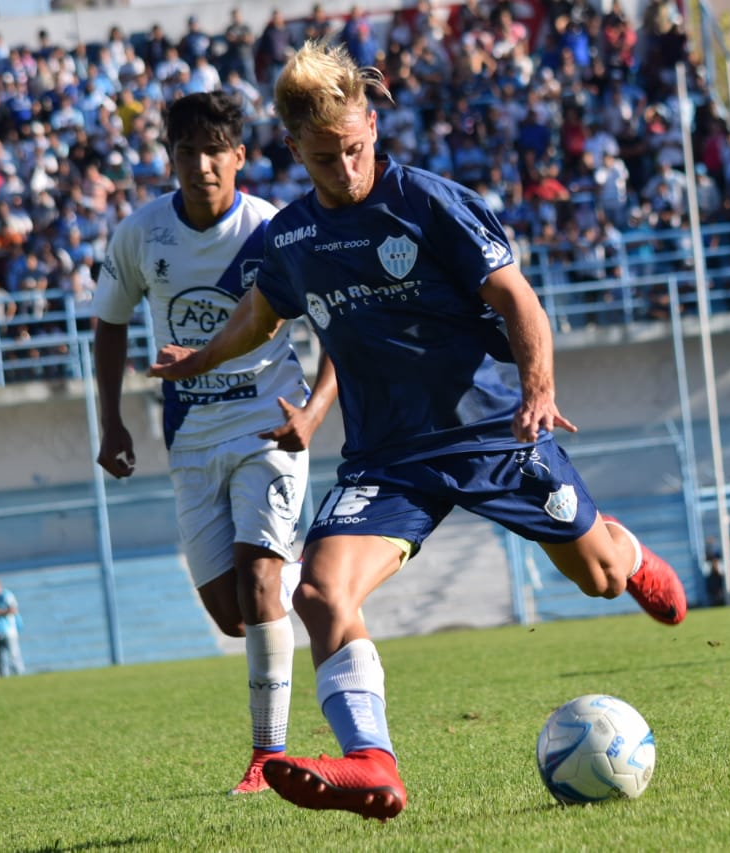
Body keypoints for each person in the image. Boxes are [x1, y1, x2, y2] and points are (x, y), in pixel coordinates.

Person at [149, 41, 688, 821]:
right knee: (320, 591)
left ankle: (626, 551)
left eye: (356, 149)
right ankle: (371, 760)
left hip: (493, 435)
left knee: (596, 575)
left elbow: (518, 300)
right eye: (325, 158)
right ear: (295, 149)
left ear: (372, 123)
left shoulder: (430, 201)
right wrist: (197, 356)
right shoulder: (292, 239)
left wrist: (538, 390)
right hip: (387, 460)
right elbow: (256, 316)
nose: (346, 169)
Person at [93, 91, 338, 795]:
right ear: (171, 160)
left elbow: (337, 332)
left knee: (261, 580)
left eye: (213, 151)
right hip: (191, 435)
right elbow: (108, 323)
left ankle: (268, 756)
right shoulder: (142, 234)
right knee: (233, 615)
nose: (200, 165)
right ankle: (303, 574)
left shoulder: (274, 231)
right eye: (186, 153)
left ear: (238, 157)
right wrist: (111, 421)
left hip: (269, 423)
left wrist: (314, 414)